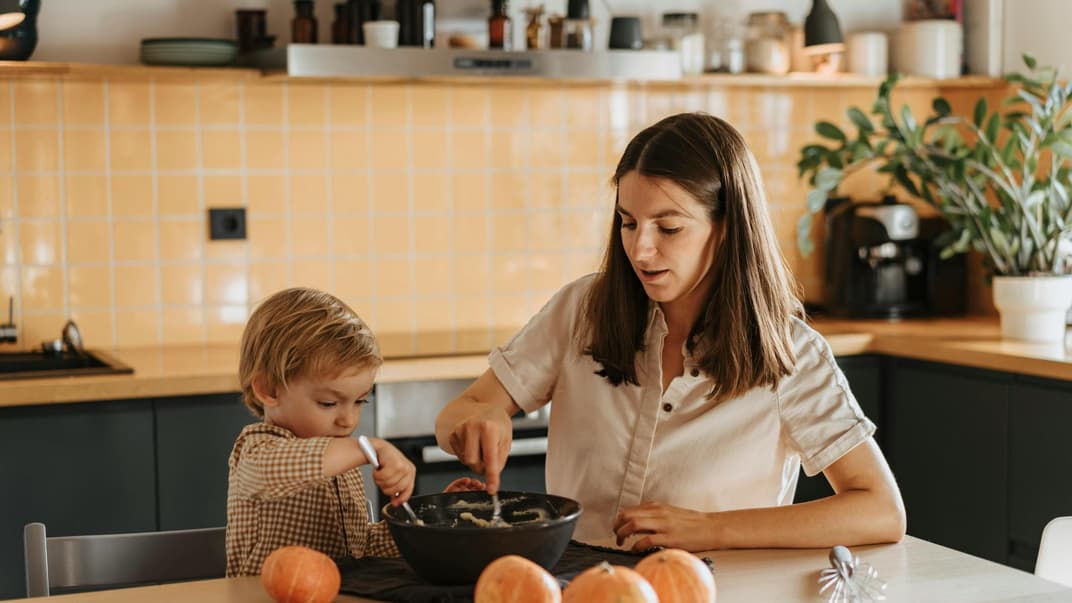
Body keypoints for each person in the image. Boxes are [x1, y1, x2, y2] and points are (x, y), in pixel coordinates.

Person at [434, 112, 906, 551]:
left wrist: (711, 529)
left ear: (727, 229)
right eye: (628, 223)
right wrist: (477, 420)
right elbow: (462, 409)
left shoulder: (791, 354)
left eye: (669, 228)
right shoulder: (581, 310)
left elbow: (880, 509)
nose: (640, 250)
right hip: (581, 589)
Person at [226, 287, 482, 576]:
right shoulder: (255, 450)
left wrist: (435, 517)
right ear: (268, 389)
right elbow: (276, 471)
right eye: (328, 403)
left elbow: (361, 548)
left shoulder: (343, 464)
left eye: (360, 401)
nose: (348, 420)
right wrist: (367, 447)